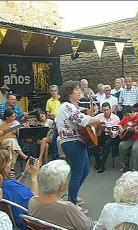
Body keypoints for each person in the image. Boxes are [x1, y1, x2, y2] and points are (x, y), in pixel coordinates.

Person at [55, 80, 101, 208]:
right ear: (69, 93)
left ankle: (73, 195)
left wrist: (93, 111)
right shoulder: (66, 106)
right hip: (72, 142)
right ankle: (72, 204)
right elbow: (81, 119)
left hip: (78, 141)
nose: (79, 91)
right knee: (77, 172)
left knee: (85, 170)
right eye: (76, 90)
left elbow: (83, 113)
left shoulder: (73, 106)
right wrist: (96, 120)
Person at [28, 160, 93, 230]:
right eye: (65, 179)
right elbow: (88, 226)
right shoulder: (67, 207)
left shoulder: (32, 201)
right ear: (62, 185)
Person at [0, 149, 39, 229]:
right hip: (26, 223)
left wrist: (25, 173)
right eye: (9, 162)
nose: (11, 164)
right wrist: (34, 177)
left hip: (8, 221)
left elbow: (15, 187)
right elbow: (35, 202)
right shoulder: (9, 187)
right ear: (2, 166)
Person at [0, 108, 29, 174]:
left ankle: (11, 168)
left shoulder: (16, 123)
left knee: (11, 145)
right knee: (12, 141)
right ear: (7, 117)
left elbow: (20, 135)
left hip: (11, 143)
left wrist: (26, 128)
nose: (15, 117)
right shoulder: (0, 122)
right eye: (13, 116)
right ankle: (24, 157)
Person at [118, 106, 138, 172]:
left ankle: (136, 169)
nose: (127, 117)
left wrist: (133, 130)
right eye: (126, 116)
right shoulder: (127, 117)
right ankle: (124, 165)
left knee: (135, 148)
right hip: (131, 137)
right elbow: (120, 124)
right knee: (122, 145)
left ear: (132, 112)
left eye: (128, 115)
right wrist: (121, 128)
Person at [93, 102, 120, 173]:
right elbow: (91, 121)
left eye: (107, 110)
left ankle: (102, 165)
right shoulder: (99, 116)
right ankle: (97, 162)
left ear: (110, 109)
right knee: (95, 143)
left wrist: (108, 131)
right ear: (102, 110)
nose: (106, 112)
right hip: (101, 135)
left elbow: (115, 132)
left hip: (111, 136)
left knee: (107, 144)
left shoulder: (115, 118)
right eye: (104, 110)